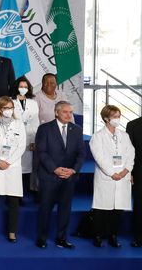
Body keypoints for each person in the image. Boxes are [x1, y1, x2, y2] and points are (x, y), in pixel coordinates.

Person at [34, 101, 85, 250]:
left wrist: (73, 170)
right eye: (65, 112)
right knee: (45, 209)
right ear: (56, 112)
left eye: (71, 112)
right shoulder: (44, 129)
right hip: (49, 176)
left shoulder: (77, 130)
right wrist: (54, 169)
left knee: (65, 209)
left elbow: (81, 154)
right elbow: (41, 152)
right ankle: (41, 238)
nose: (69, 115)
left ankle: (61, 238)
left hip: (69, 177)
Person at [89, 105, 134, 249]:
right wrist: (112, 173)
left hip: (122, 177)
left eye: (119, 116)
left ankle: (113, 235)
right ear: (106, 118)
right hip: (107, 177)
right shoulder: (97, 137)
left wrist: (126, 171)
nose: (117, 119)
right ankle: (98, 235)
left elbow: (130, 154)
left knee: (117, 210)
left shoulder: (124, 136)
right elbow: (99, 157)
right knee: (102, 209)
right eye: (115, 116)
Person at [0, 97, 27, 242]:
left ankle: (12, 232)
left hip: (12, 167)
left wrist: (8, 161)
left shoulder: (19, 124)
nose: (9, 111)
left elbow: (21, 146)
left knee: (13, 200)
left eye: (11, 108)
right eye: (6, 108)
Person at [12, 77, 40, 191]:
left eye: (25, 87)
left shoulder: (33, 103)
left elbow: (35, 122)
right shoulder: (10, 101)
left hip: (29, 138)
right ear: (16, 87)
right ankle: (14, 194)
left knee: (27, 167)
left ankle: (24, 192)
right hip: (14, 139)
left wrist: (34, 140)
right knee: (15, 167)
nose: (23, 89)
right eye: (21, 86)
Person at [126, 114, 142, 248]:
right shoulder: (132, 125)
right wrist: (129, 172)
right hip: (139, 173)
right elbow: (128, 152)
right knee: (139, 206)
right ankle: (139, 237)